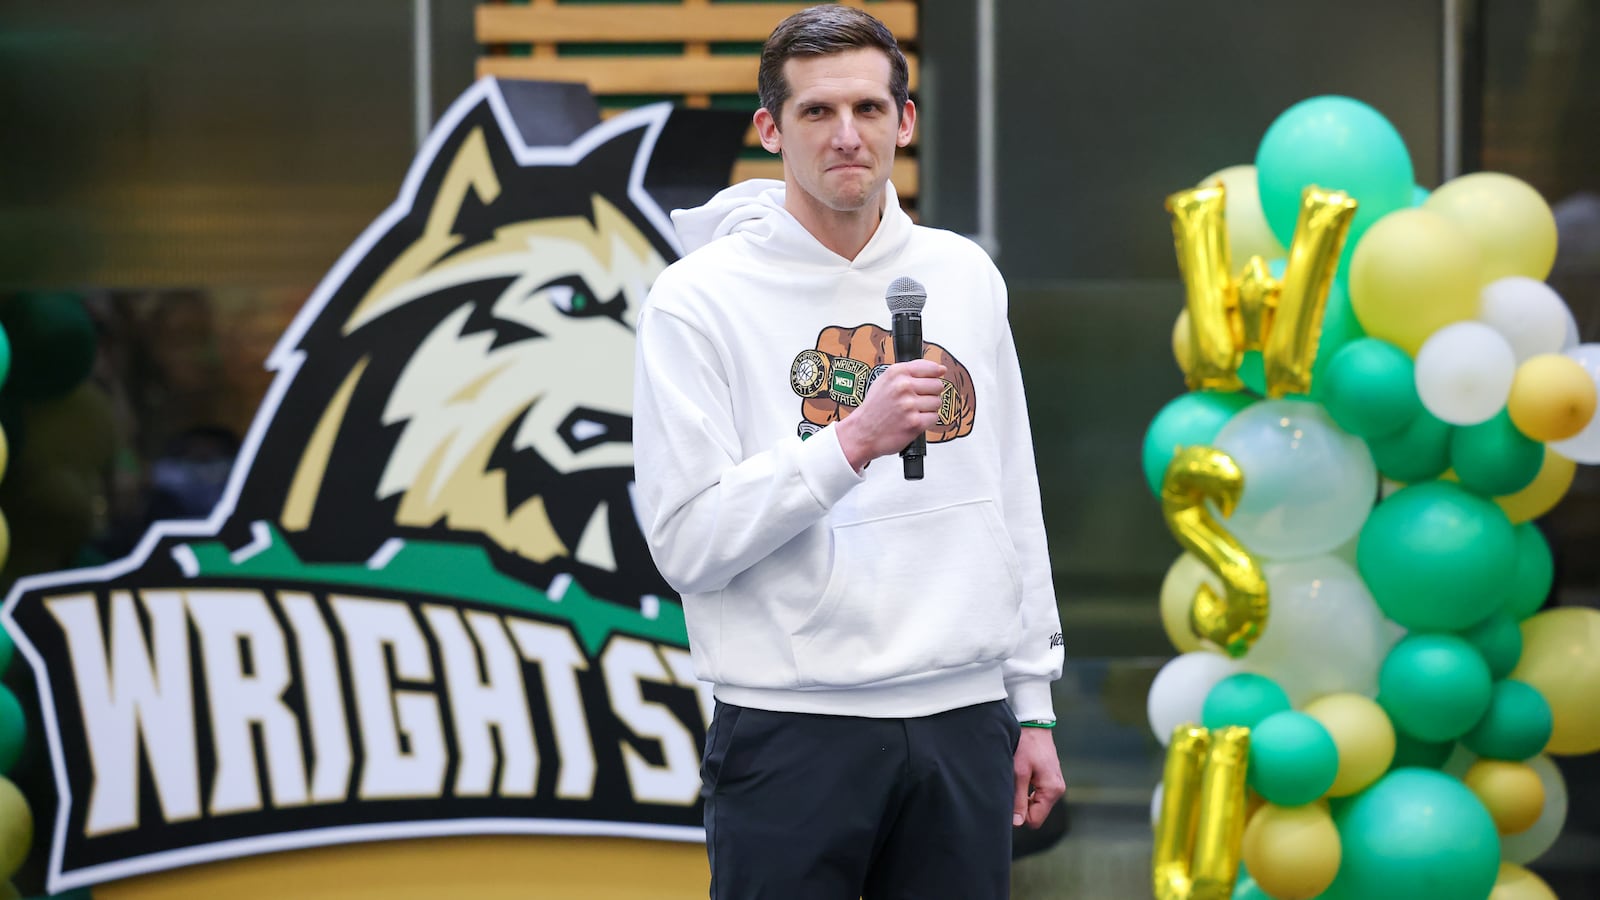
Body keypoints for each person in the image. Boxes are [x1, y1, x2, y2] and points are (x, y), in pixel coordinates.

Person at [632, 5, 1065, 897]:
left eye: (870, 109)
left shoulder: (962, 276)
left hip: (965, 717)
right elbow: (687, 543)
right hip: (793, 726)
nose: (847, 136)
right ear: (770, 130)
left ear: (904, 123)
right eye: (817, 113)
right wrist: (850, 444)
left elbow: (1011, 494)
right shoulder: (697, 300)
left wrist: (1034, 705)